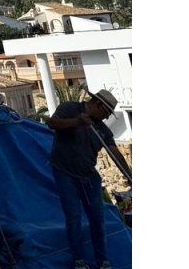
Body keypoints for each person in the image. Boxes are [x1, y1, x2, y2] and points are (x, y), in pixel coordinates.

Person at [47, 90, 129, 269]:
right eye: (106, 113)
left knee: (97, 218)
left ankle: (103, 262)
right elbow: (51, 123)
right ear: (98, 105)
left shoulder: (102, 130)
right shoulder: (70, 108)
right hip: (65, 172)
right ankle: (79, 261)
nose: (107, 117)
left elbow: (115, 154)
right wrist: (77, 122)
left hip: (88, 175)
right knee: (74, 217)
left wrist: (129, 175)